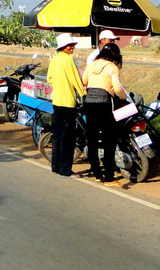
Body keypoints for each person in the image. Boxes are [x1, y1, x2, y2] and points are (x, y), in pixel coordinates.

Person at [82, 42, 130, 187]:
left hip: (89, 104)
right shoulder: (112, 67)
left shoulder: (91, 65)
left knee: (92, 140)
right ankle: (109, 178)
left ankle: (97, 174)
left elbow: (84, 81)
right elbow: (117, 88)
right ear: (115, 56)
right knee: (110, 140)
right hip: (104, 105)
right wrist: (123, 98)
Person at [46, 33, 87, 178]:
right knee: (67, 137)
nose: (72, 48)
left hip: (56, 100)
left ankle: (55, 166)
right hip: (68, 102)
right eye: (70, 46)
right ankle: (65, 170)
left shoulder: (54, 60)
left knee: (57, 135)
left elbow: (49, 78)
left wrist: (59, 83)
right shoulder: (68, 60)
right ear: (63, 47)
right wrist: (83, 92)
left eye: (73, 45)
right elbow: (75, 79)